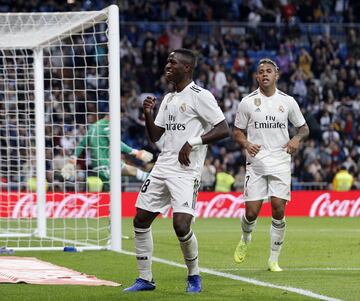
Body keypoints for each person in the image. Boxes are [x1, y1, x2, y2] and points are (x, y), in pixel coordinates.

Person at [124, 48, 229, 293]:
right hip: (163, 165)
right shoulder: (169, 98)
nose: (167, 66)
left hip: (186, 170)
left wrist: (193, 142)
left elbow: (223, 128)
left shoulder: (200, 95)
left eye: (173, 63)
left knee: (181, 225)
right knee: (140, 219)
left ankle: (194, 275)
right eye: (167, 63)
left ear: (187, 68)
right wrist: (148, 114)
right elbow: (155, 136)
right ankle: (145, 278)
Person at [233, 58, 309, 272]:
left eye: (269, 71)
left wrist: (296, 139)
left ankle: (273, 259)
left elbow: (304, 128)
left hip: (281, 161)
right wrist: (246, 143)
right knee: (252, 213)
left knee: (278, 208)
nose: (264, 74)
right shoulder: (247, 102)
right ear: (257, 77)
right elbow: (237, 131)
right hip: (256, 163)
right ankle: (246, 238)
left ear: (277, 75)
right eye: (261, 72)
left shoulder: (288, 101)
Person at [61, 115, 153, 191]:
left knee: (134, 171)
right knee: (113, 191)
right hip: (104, 165)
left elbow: (81, 144)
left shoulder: (92, 127)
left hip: (105, 164)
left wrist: (72, 159)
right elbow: (117, 143)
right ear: (110, 116)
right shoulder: (105, 127)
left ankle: (155, 183)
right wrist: (136, 152)